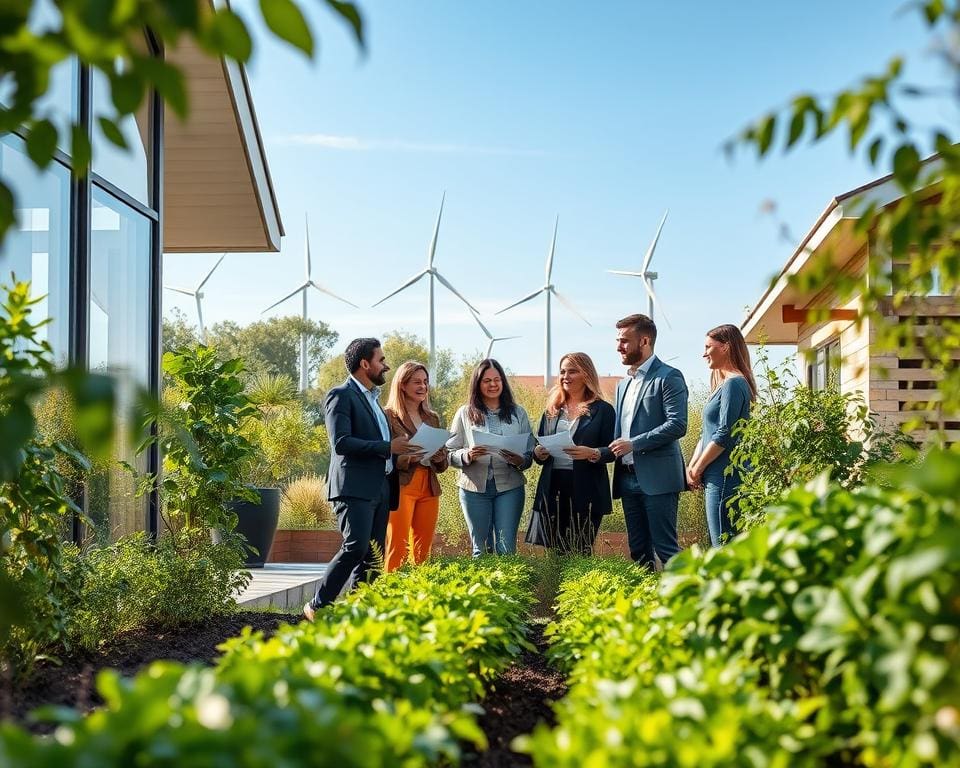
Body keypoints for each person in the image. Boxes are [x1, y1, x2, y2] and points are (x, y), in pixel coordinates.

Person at [303, 338, 416, 621]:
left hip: (380, 486)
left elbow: (378, 445)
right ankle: (317, 606)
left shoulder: (375, 402)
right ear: (365, 364)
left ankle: (360, 611)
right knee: (356, 546)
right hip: (353, 487)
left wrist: (399, 453)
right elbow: (341, 442)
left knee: (374, 555)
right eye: (381, 360)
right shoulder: (340, 395)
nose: (386, 365)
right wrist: (387, 447)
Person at [607, 313, 688, 570]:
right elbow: (619, 436)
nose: (618, 347)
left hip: (659, 478)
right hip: (627, 478)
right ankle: (648, 605)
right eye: (618, 341)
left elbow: (677, 425)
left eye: (624, 341)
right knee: (638, 550)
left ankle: (691, 602)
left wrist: (634, 443)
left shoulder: (669, 377)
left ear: (644, 341)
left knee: (666, 549)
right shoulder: (623, 385)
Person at [447, 358, 534, 556]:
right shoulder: (464, 413)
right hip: (474, 489)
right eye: (487, 381)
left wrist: (520, 460)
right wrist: (467, 455)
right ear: (477, 384)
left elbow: (529, 452)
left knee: (506, 548)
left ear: (503, 382)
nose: (493, 384)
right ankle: (484, 587)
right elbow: (449, 451)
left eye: (497, 379)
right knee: (481, 550)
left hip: (510, 487)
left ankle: (508, 586)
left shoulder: (518, 413)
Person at [532, 352, 615, 554]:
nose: (565, 376)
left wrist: (593, 452)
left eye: (572, 371)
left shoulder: (603, 410)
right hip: (553, 487)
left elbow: (612, 450)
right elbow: (538, 445)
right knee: (556, 552)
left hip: (587, 487)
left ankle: (579, 586)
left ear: (586, 374)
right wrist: (538, 452)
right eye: (562, 372)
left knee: (581, 549)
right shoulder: (551, 410)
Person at [686, 324, 757, 547]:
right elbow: (706, 433)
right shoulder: (723, 385)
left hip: (725, 476)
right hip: (714, 474)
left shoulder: (734, 384)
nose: (704, 353)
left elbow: (725, 433)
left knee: (723, 546)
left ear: (725, 347)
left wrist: (698, 468)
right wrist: (693, 466)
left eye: (708, 347)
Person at [383, 361, 449, 571]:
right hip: (402, 487)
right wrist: (407, 457)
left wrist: (439, 456)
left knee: (423, 552)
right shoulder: (388, 416)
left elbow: (443, 463)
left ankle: (419, 598)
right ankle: (390, 596)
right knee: (398, 548)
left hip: (429, 488)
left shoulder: (432, 418)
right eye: (417, 382)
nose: (423, 386)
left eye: (425, 382)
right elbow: (384, 454)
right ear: (402, 385)